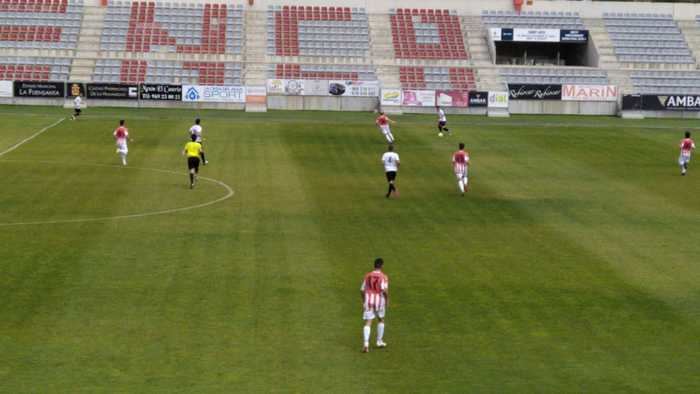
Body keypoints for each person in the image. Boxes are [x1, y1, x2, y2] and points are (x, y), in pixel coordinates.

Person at [360, 257, 389, 353]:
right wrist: (387, 299)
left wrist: (364, 300)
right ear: (382, 266)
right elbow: (384, 290)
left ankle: (366, 344)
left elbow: (362, 290)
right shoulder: (384, 277)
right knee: (381, 319)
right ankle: (379, 341)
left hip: (369, 300)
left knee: (368, 321)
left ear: (374, 265)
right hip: (379, 301)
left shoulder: (367, 275)